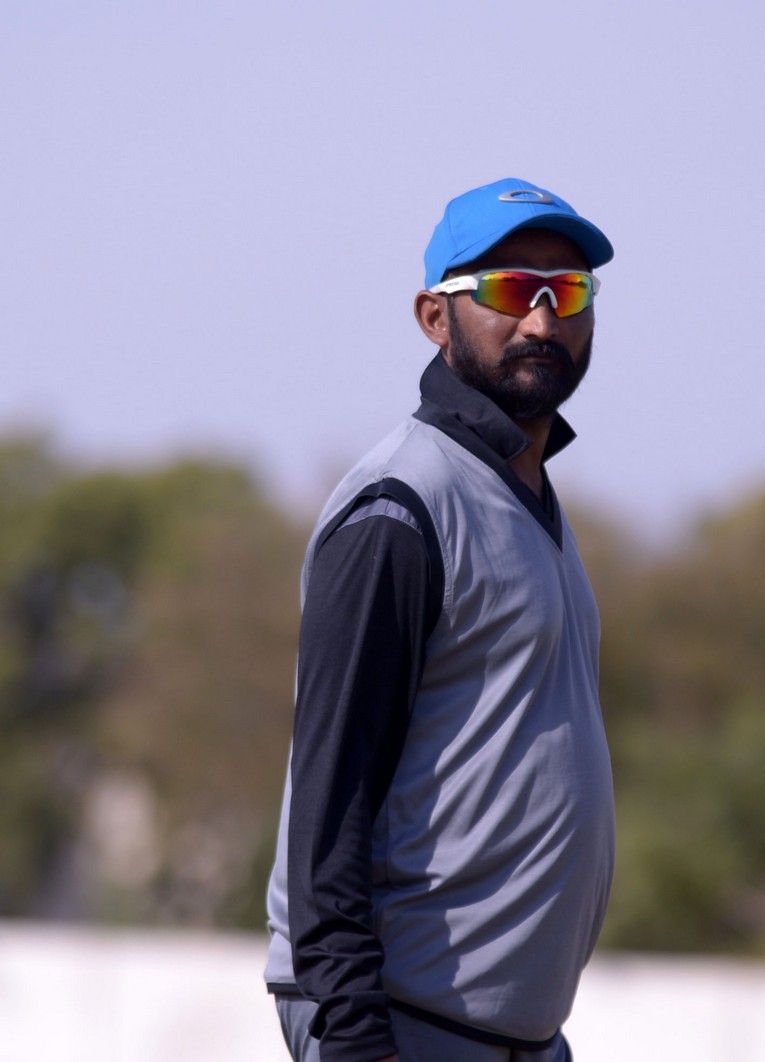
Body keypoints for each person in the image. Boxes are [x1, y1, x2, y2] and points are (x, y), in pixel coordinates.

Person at [263, 178, 617, 1062]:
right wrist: (355, 1036)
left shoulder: (533, 503)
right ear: (434, 316)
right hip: (398, 1022)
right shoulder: (401, 505)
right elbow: (330, 795)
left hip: (519, 1040)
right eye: (510, 288)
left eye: (567, 291)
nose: (542, 319)